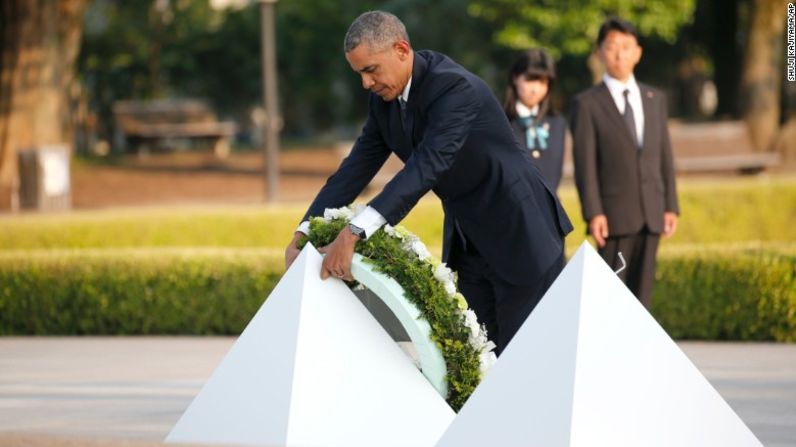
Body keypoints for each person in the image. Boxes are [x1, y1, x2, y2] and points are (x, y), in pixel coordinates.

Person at [284, 11, 573, 355]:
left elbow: (426, 166)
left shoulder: (454, 88)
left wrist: (354, 232)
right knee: (480, 358)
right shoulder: (383, 103)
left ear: (402, 50)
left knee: (525, 359)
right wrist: (304, 232)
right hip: (469, 240)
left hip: (521, 231)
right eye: (359, 73)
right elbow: (353, 171)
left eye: (370, 70)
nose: (366, 83)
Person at [570, 17, 679, 308]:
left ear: (638, 52)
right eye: (612, 47)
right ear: (600, 53)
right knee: (612, 296)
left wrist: (671, 204)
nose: (620, 54)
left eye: (626, 47)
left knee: (642, 297)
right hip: (614, 217)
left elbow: (664, 154)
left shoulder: (655, 98)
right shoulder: (587, 104)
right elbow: (585, 164)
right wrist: (594, 212)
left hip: (652, 211)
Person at [504, 48, 566, 193]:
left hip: (547, 211)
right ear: (515, 78)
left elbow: (555, 173)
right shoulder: (501, 121)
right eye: (530, 80)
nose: (535, 89)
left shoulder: (557, 123)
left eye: (543, 82)